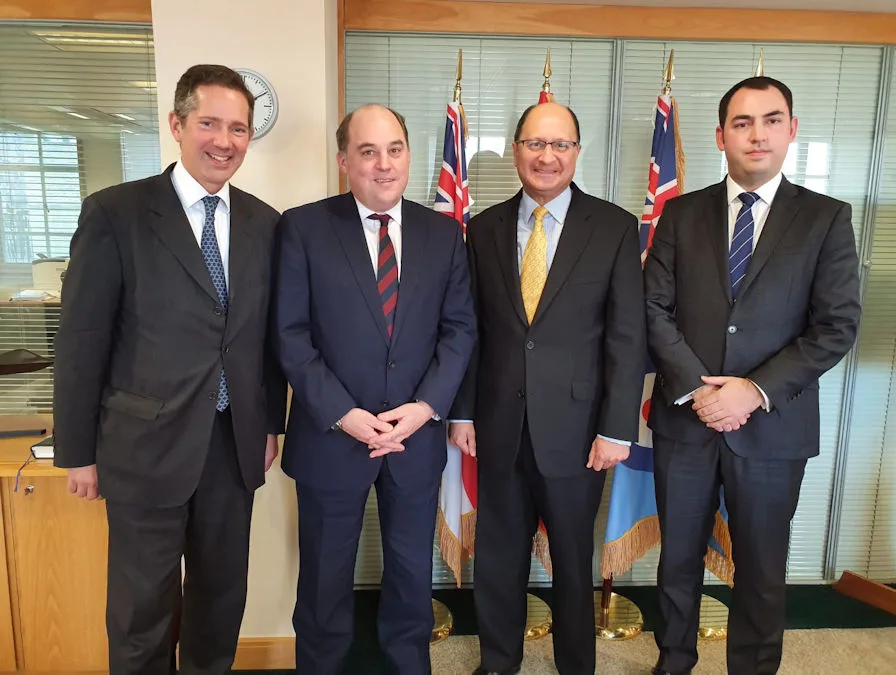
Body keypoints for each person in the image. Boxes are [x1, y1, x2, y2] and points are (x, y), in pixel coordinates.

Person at [53, 64, 286, 675]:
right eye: (209, 123)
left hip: (231, 446)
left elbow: (265, 339)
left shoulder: (267, 223)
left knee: (220, 600)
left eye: (238, 128)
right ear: (177, 124)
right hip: (142, 447)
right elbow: (82, 340)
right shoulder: (116, 214)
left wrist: (268, 424)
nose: (225, 140)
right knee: (141, 611)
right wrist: (77, 451)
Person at [644, 76, 861, 675]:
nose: (756, 134)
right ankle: (674, 662)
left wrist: (752, 390)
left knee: (762, 565)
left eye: (770, 120)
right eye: (742, 123)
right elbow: (651, 308)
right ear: (721, 136)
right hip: (686, 419)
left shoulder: (825, 219)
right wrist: (698, 387)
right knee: (677, 561)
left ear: (792, 130)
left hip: (772, 426)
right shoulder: (679, 214)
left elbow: (835, 326)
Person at [273, 103, 476, 675]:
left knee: (411, 578)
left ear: (409, 156)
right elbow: (289, 335)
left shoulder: (444, 232)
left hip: (414, 439)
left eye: (394, 150)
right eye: (367, 152)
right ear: (344, 161)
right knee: (324, 582)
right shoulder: (304, 227)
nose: (382, 165)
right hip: (331, 439)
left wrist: (426, 408)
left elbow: (459, 330)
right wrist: (345, 414)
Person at [449, 102, 646, 675]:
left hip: (580, 433)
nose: (547, 156)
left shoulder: (612, 227)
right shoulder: (482, 228)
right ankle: (498, 662)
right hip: (498, 428)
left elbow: (626, 337)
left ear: (577, 153)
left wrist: (616, 427)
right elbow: (472, 330)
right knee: (497, 561)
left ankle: (575, 666)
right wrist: (462, 414)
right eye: (535, 144)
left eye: (560, 145)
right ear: (516, 151)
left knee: (571, 562)